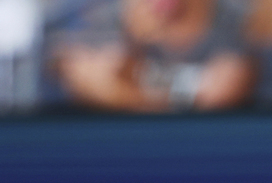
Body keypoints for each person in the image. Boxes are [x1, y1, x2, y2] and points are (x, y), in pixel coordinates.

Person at [54, 0, 255, 112]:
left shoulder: (237, 18)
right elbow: (84, 79)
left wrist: (130, 81)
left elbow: (221, 92)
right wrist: (133, 44)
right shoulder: (106, 16)